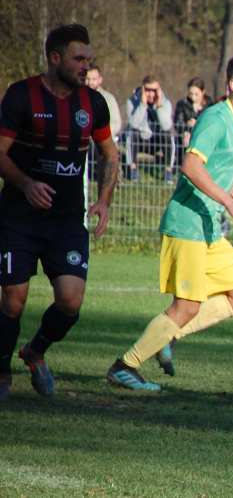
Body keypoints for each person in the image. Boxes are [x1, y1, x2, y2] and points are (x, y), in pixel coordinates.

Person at [106, 52, 233, 391]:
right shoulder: (216, 118)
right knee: (187, 306)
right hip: (188, 223)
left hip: (208, 225)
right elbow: (192, 166)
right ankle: (126, 365)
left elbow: (218, 171)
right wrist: (227, 201)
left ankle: (170, 334)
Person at [0, 24, 120, 400]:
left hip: (67, 220)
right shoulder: (22, 96)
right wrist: (27, 184)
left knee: (70, 301)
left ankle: (35, 352)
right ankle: (2, 373)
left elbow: (110, 156)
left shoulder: (93, 104)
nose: (85, 66)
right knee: (13, 298)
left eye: (89, 59)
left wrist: (103, 201)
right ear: (55, 58)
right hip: (19, 216)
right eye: (78, 58)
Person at [126, 75, 174, 182]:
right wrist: (142, 105)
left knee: (168, 135)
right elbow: (133, 124)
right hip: (141, 139)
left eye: (154, 90)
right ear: (143, 89)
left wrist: (159, 106)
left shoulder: (166, 103)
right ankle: (133, 169)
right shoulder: (132, 101)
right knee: (131, 134)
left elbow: (166, 126)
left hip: (157, 140)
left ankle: (168, 171)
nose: (151, 94)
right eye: (148, 90)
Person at [174, 77, 214, 148]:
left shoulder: (210, 106)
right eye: (190, 93)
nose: (193, 97)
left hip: (205, 139)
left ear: (203, 92)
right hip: (186, 140)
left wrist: (198, 124)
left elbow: (212, 124)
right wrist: (186, 127)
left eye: (196, 94)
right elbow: (177, 124)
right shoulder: (182, 104)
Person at [85, 64, 122, 139]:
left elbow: (116, 123)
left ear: (100, 80)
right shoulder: (78, 97)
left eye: (94, 79)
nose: (90, 82)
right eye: (88, 79)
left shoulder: (109, 99)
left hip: (103, 143)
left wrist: (99, 136)